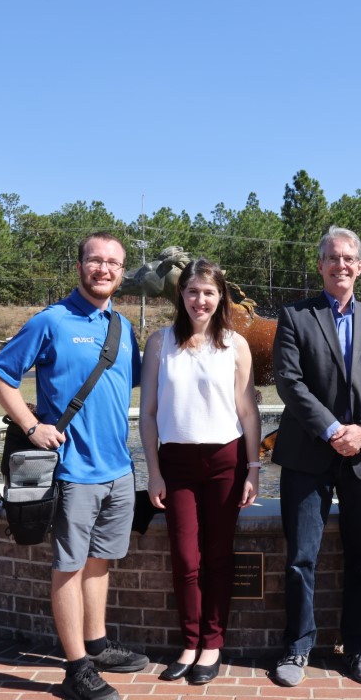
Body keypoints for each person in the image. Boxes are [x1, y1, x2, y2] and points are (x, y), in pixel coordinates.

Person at [0, 232, 149, 700]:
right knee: (69, 568)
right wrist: (32, 425)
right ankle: (75, 667)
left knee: (100, 562)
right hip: (72, 471)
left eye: (113, 263)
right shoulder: (51, 321)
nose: (104, 269)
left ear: (122, 271)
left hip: (118, 469)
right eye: (95, 261)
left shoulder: (121, 326)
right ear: (80, 266)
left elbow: (133, 385)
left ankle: (96, 644)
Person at [269, 226, 361, 687]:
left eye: (348, 258)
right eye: (332, 257)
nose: (340, 265)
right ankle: (298, 645)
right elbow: (289, 382)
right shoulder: (294, 316)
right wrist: (332, 430)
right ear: (320, 264)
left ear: (360, 267)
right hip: (308, 454)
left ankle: (358, 647)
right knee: (301, 557)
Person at [138, 259, 262, 685]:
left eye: (208, 292)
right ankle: (189, 643)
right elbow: (149, 414)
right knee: (186, 559)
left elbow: (248, 412)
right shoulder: (159, 344)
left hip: (224, 462)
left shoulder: (235, 344)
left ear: (220, 297)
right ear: (181, 296)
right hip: (177, 464)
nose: (200, 300)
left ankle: (212, 643)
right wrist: (153, 471)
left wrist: (254, 468)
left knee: (219, 557)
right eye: (193, 292)